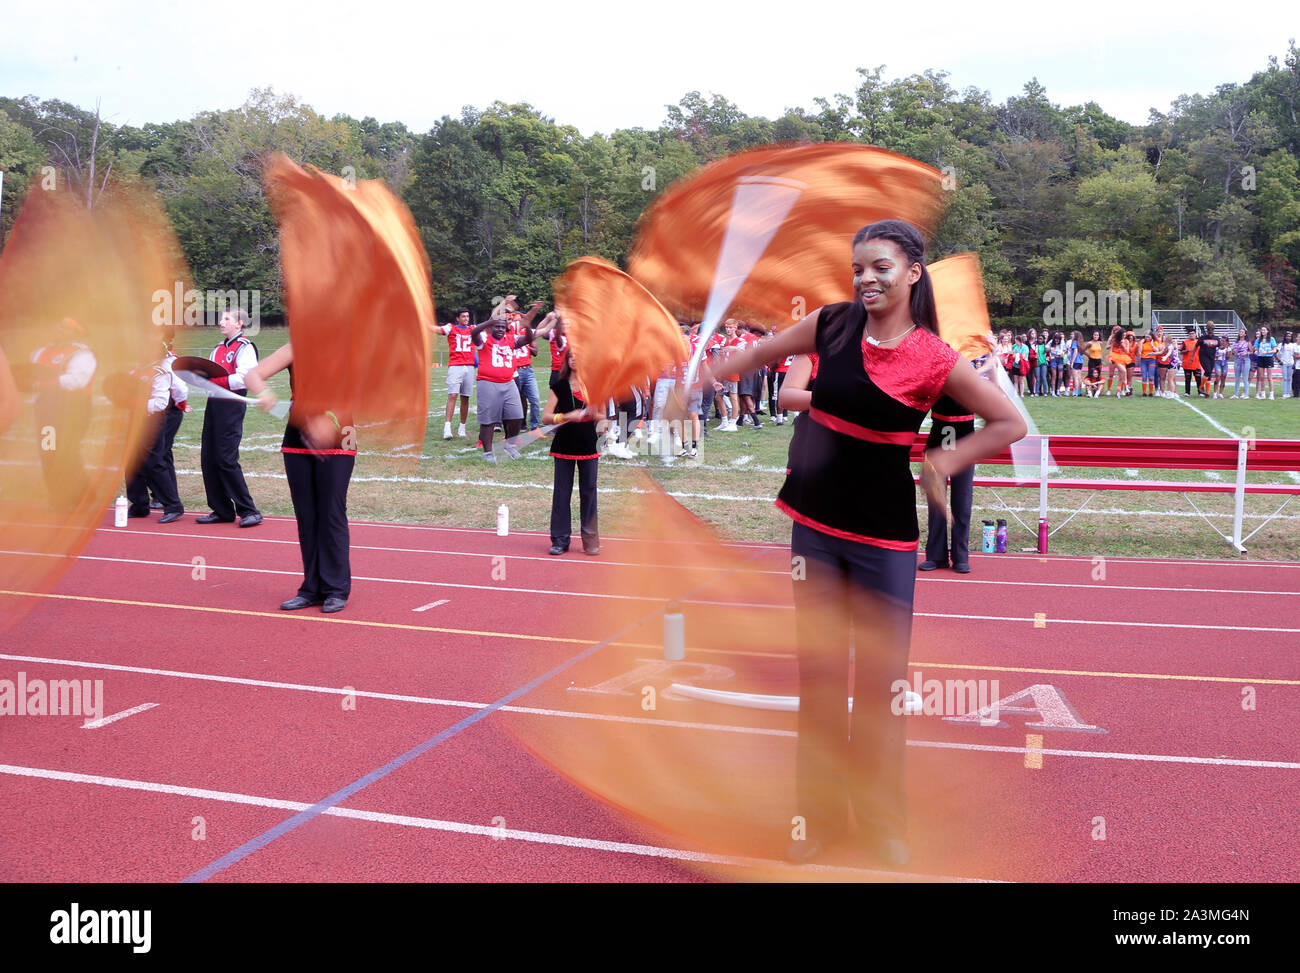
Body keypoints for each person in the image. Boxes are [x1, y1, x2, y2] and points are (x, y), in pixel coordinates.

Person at [703, 219, 1025, 867]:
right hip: (814, 530)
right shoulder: (831, 324)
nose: (865, 278)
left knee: (881, 685)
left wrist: (943, 464)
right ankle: (813, 820)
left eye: (879, 266)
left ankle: (880, 823)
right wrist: (706, 374)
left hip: (885, 540)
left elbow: (1008, 421)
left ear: (912, 273)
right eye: (858, 268)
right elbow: (762, 355)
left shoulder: (936, 357)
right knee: (820, 678)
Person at [246, 343, 354, 614]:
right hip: (297, 438)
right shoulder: (296, 346)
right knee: (307, 517)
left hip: (339, 434)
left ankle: (335, 589)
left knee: (331, 513)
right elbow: (253, 375)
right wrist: (264, 392)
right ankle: (311, 588)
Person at [197, 309, 262, 527]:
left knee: (226, 458)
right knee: (208, 457)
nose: (221, 323)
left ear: (239, 323)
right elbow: (209, 376)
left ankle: (249, 510)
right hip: (213, 403)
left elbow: (245, 378)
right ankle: (221, 509)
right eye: (221, 319)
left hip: (232, 404)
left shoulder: (244, 347)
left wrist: (215, 382)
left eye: (226, 319)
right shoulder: (217, 349)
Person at [542, 347, 606, 556]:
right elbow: (546, 417)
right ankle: (559, 540)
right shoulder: (559, 386)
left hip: (589, 445)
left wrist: (599, 418)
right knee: (562, 493)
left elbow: (604, 419)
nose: (575, 360)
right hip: (564, 445)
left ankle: (590, 540)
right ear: (567, 360)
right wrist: (567, 416)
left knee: (589, 492)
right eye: (571, 357)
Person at [126, 326, 187, 523]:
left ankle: (173, 505)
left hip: (152, 419)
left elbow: (161, 402)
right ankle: (139, 504)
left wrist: (137, 405)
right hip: (136, 420)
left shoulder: (161, 370)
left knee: (154, 461)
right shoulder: (135, 370)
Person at [471, 312, 532, 461]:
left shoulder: (511, 340)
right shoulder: (484, 340)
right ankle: (487, 452)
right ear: (491, 328)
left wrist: (528, 324)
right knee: (488, 420)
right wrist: (489, 322)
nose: (499, 329)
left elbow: (529, 339)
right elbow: (474, 333)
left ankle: (510, 445)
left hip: (508, 381)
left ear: (506, 329)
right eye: (496, 327)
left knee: (517, 415)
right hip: (488, 382)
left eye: (502, 327)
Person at [436, 308, 476, 439]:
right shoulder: (451, 328)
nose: (466, 319)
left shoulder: (472, 329)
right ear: (458, 318)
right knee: (452, 395)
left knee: (465, 398)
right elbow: (437, 330)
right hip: (455, 366)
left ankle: (462, 427)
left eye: (467, 316)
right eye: (463, 316)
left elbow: (488, 327)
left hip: (469, 366)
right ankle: (447, 428)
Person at [1256, 326, 1278, 399]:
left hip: (1269, 358)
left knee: (1269, 377)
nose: (1263, 331)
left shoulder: (1271, 339)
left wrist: (1267, 352)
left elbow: (1275, 350)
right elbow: (1256, 348)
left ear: (1268, 331)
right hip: (1260, 358)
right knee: (1261, 377)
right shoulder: (1259, 339)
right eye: (1262, 330)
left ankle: (1271, 394)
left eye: (1264, 330)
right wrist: (1256, 351)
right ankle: (1263, 394)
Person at [1180, 327, 1202, 397]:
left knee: (1198, 379)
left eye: (1193, 333)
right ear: (1188, 335)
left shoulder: (1199, 342)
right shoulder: (1185, 342)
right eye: (1190, 334)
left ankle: (1200, 392)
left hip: (1197, 363)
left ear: (1196, 334)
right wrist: (1186, 351)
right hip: (1187, 364)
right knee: (1187, 379)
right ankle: (1187, 392)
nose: (1191, 335)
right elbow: (1180, 351)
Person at [1230, 328, 1252, 399]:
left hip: (1245, 360)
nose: (1241, 333)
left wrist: (1246, 353)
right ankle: (1236, 394)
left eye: (1242, 332)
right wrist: (1234, 352)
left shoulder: (1248, 342)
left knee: (1245, 378)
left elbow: (1252, 351)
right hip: (1237, 360)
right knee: (1237, 378)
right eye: (1240, 332)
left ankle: (1246, 394)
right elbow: (1233, 353)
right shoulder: (1236, 342)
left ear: (1245, 334)